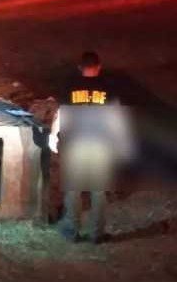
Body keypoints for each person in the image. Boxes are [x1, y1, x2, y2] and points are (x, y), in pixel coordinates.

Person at [50, 51, 132, 244]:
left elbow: (61, 114)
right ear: (99, 66)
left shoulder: (70, 87)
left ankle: (71, 232)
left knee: (73, 190)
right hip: (100, 145)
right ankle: (97, 234)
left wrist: (54, 134)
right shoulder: (108, 88)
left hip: (75, 143)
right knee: (98, 191)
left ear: (80, 67)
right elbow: (116, 118)